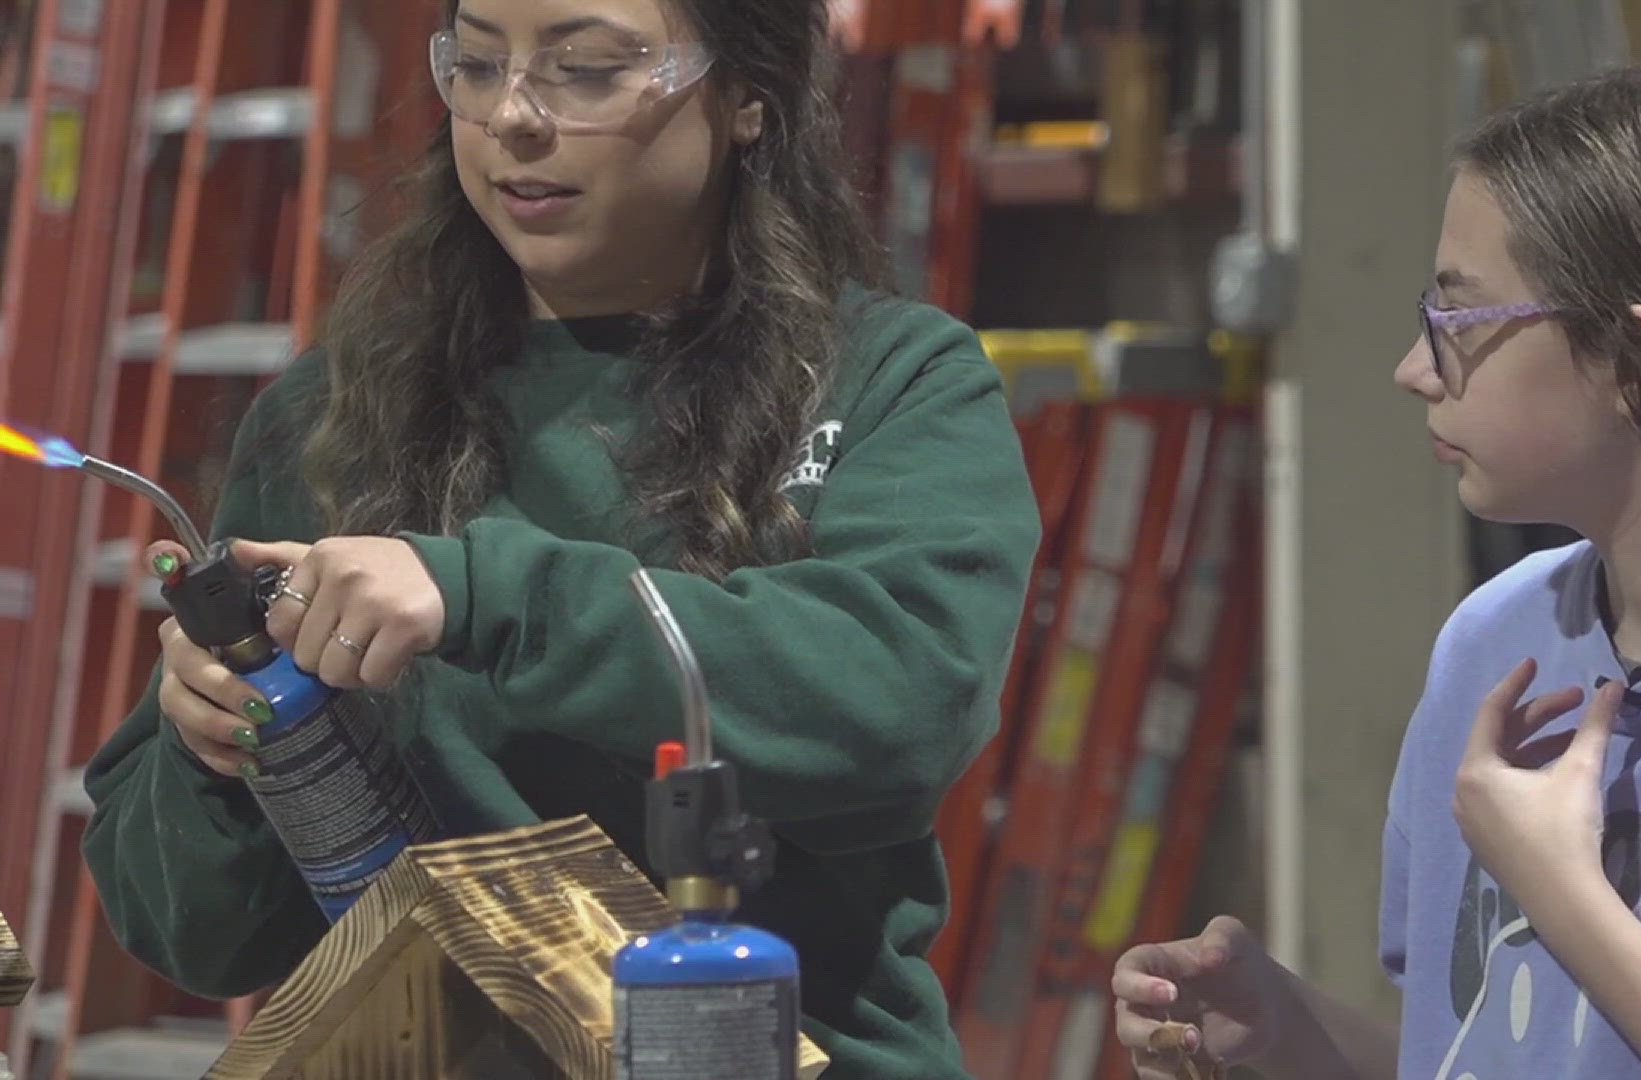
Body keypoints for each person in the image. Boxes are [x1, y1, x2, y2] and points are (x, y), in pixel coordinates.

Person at [81, 1, 1040, 1076]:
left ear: (748, 96)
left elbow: (899, 699)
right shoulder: (335, 421)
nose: (514, 117)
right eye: (479, 67)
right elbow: (191, 932)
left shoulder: (892, 381)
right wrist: (215, 746)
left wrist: (490, 598)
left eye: (585, 68)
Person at [1114, 63, 1641, 1079]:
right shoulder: (1494, 640)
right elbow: (1473, 1048)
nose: (1415, 368)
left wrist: (1567, 898)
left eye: (1459, 323)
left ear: (1634, 360)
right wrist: (1283, 1032)